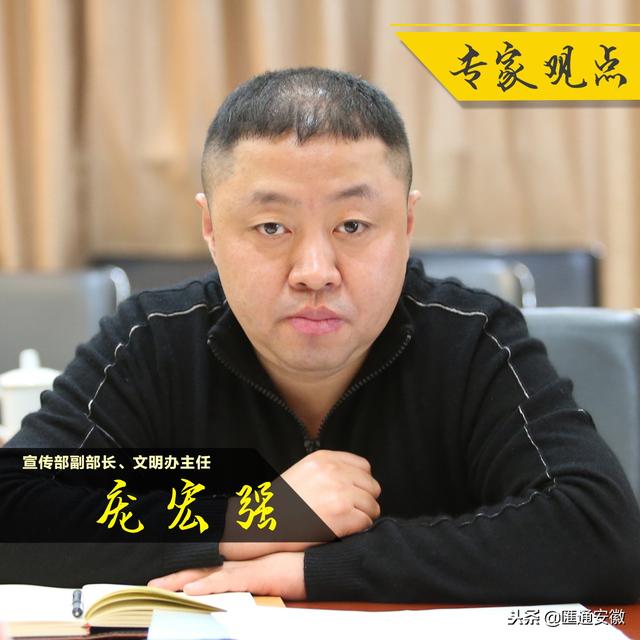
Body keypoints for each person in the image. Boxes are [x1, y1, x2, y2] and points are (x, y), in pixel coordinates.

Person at [2, 67, 640, 603]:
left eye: (353, 225)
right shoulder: (153, 341)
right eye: (271, 227)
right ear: (211, 228)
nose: (314, 271)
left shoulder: (472, 339)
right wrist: (252, 515)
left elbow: (601, 531)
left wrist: (309, 569)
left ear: (407, 221)